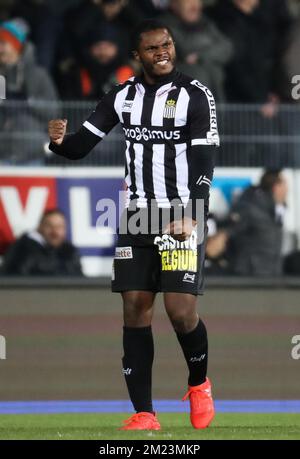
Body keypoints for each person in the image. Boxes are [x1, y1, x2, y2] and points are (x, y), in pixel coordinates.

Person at [48, 19, 219, 431]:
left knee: (180, 312)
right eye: (152, 48)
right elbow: (81, 146)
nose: (162, 52)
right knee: (135, 309)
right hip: (137, 214)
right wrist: (58, 143)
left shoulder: (196, 95)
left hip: (179, 212)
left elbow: (204, 160)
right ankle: (145, 413)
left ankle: (199, 383)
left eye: (167, 45)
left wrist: (192, 211)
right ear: (136, 56)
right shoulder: (121, 97)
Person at [0, 18, 59, 164]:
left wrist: (29, 102)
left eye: (3, 43)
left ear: (16, 46)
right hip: (3, 153)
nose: (0, 49)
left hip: (32, 153)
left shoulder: (38, 75)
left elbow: (54, 111)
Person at [161, 0, 232, 101]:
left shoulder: (206, 24)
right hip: (180, 99)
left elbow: (226, 48)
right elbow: (185, 48)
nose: (194, 6)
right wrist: (210, 45)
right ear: (174, 4)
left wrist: (200, 56)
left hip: (214, 99)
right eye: (188, 1)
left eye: (197, 1)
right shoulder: (163, 26)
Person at [227, 170, 288, 276]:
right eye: (285, 185)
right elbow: (230, 233)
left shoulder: (277, 210)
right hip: (250, 277)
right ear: (276, 187)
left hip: (271, 275)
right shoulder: (250, 207)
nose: (287, 189)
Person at [1, 209, 82, 276]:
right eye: (49, 226)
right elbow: (14, 279)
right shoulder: (23, 249)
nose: (55, 232)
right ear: (40, 227)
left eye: (59, 227)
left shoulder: (70, 251)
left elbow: (80, 281)